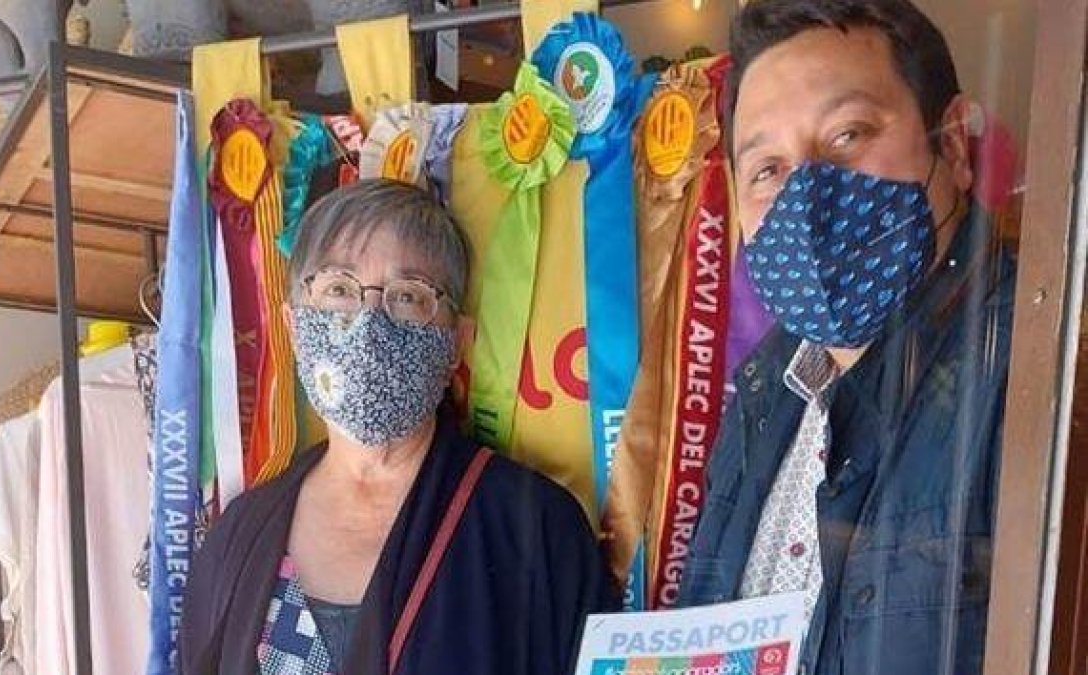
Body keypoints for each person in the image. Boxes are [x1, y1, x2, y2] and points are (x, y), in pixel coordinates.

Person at [676, 1, 1016, 674]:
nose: (805, 193)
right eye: (768, 168)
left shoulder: (1035, 368)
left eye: (847, 134)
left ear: (951, 144)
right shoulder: (760, 396)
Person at [180, 179, 615, 675]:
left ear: (457, 342)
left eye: (407, 296)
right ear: (295, 326)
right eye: (339, 289)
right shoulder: (237, 536)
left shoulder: (533, 527)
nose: (368, 322)